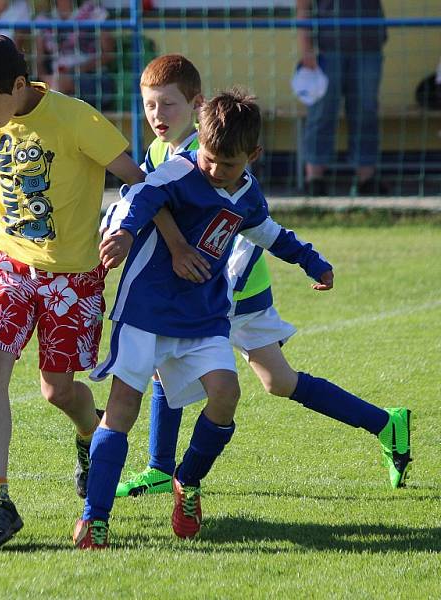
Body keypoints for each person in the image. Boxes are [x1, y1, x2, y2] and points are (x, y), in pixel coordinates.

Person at [113, 54, 412, 500]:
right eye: (151, 105)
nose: (158, 116)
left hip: (231, 288)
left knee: (252, 376)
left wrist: (225, 283)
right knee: (226, 375)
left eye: (168, 105)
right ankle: (160, 468)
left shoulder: (216, 147)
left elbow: (252, 231)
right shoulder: (159, 152)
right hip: (198, 286)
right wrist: (172, 248)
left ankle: (386, 423)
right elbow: (154, 204)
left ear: (196, 105)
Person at [0, 34, 156, 551]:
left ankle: (90, 435)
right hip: (10, 261)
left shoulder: (77, 119)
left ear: (19, 86)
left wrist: (135, 232)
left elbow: (140, 180)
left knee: (57, 390)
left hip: (74, 276)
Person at [75, 88, 341, 549]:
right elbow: (140, 195)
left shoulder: (247, 194)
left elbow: (271, 234)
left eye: (229, 164)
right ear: (199, 139)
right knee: (122, 410)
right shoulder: (179, 170)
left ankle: (188, 481)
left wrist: (312, 262)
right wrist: (122, 233)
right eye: (210, 158)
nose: (216, 170)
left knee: (226, 393)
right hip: (147, 311)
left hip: (204, 315)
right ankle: (94, 518)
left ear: (253, 155)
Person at [297, 0, 388, 196]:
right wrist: (307, 48)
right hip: (327, 49)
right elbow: (303, 7)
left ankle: (366, 178)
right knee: (322, 112)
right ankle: (314, 178)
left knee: (366, 111)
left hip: (369, 45)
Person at [36, 0, 116, 111]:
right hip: (55, 79)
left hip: (94, 78)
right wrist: (44, 78)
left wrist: (75, 70)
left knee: (58, 86)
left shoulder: (95, 12)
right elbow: (38, 59)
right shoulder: (44, 18)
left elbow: (109, 54)